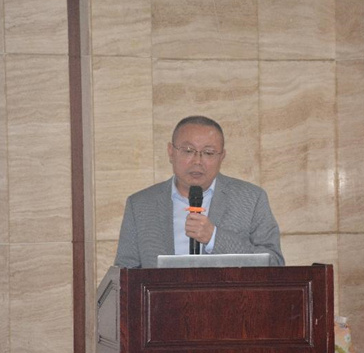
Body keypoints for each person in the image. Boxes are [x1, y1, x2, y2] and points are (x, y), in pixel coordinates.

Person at [114, 115, 284, 268]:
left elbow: (274, 263)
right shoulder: (140, 204)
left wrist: (214, 238)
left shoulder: (251, 199)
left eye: (208, 153)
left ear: (222, 157)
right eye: (188, 151)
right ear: (171, 152)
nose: (197, 161)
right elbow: (124, 273)